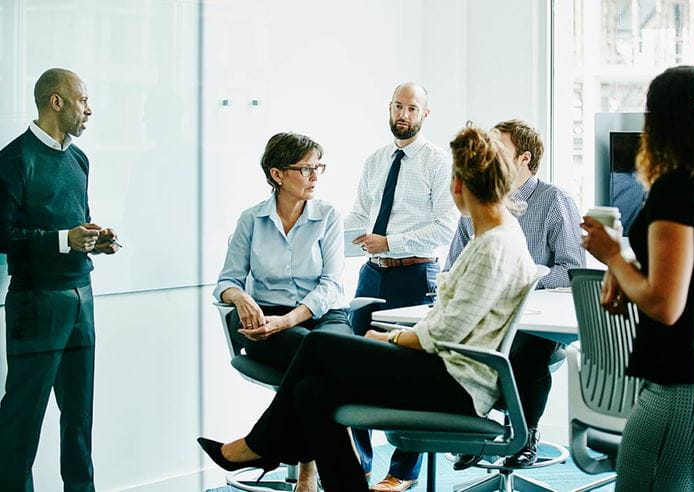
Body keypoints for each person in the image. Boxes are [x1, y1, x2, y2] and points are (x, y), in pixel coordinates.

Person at [197, 124, 537, 492]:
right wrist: (391, 339)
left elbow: (440, 335)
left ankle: (259, 445)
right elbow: (447, 327)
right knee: (310, 391)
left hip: (455, 383)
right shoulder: (498, 236)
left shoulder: (492, 246)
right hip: (446, 370)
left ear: (458, 186)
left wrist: (390, 338)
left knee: (320, 345)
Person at [581, 66, 694, 490]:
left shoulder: (675, 189)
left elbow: (665, 304)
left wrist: (613, 256)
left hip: (680, 385)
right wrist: (626, 268)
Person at [0, 68, 120, 492]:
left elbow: (73, 224)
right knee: (22, 416)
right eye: (83, 100)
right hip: (36, 303)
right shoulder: (13, 160)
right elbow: (3, 236)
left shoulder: (78, 159)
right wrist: (63, 240)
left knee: (79, 420)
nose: (89, 109)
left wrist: (94, 239)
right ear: (57, 101)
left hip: (80, 297)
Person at [214, 132, 352, 492]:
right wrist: (241, 298)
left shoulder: (328, 217)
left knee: (317, 365)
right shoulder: (251, 220)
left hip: (323, 316)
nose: (315, 176)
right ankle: (320, 475)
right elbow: (226, 281)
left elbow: (332, 285)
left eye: (318, 166)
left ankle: (260, 445)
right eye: (306, 168)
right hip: (267, 319)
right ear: (277, 175)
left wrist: (291, 319)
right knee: (317, 373)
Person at [445, 119, 584, 467]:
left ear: (523, 158)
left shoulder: (555, 200)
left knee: (529, 346)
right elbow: (452, 266)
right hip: (486, 314)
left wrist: (519, 281)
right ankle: (475, 428)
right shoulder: (480, 197)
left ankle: (524, 434)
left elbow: (572, 270)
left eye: (498, 149)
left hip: (537, 319)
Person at [344, 82, 458, 490]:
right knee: (355, 366)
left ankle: (402, 473)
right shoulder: (375, 160)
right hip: (372, 273)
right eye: (397, 106)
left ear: (425, 114)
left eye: (411, 108)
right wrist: (338, 236)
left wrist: (391, 242)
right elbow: (360, 213)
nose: (402, 115)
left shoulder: (437, 162)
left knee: (412, 372)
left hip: (416, 274)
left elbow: (445, 228)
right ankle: (357, 464)